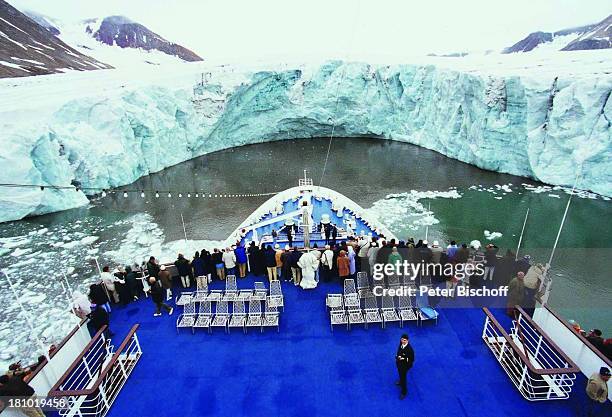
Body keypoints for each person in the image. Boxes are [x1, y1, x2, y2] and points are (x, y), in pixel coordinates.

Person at [395, 334, 415, 400]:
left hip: (405, 366)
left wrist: (403, 358)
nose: (403, 341)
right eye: (402, 340)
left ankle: (404, 392)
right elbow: (399, 351)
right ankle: (400, 381)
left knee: (403, 378)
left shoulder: (410, 349)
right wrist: (398, 356)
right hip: (399, 364)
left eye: (405, 340)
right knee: (400, 374)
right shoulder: (401, 344)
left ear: (408, 340)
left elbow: (412, 359)